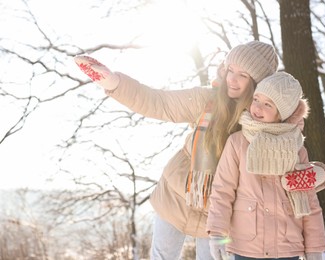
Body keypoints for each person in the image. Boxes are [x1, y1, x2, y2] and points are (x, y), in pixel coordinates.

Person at [73, 41, 279, 259]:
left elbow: (285, 156)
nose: (232, 79)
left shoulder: (262, 123)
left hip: (220, 213)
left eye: (243, 75)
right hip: (176, 194)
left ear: (257, 84)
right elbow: (159, 102)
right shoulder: (207, 100)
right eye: (231, 70)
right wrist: (114, 83)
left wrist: (318, 175)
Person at [206, 72, 325, 260]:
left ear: (283, 113)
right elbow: (223, 190)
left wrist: (314, 248)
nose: (257, 107)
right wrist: (216, 232)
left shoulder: (297, 149)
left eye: (268, 104)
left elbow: (310, 201)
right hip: (246, 246)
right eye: (256, 99)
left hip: (287, 247)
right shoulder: (237, 143)